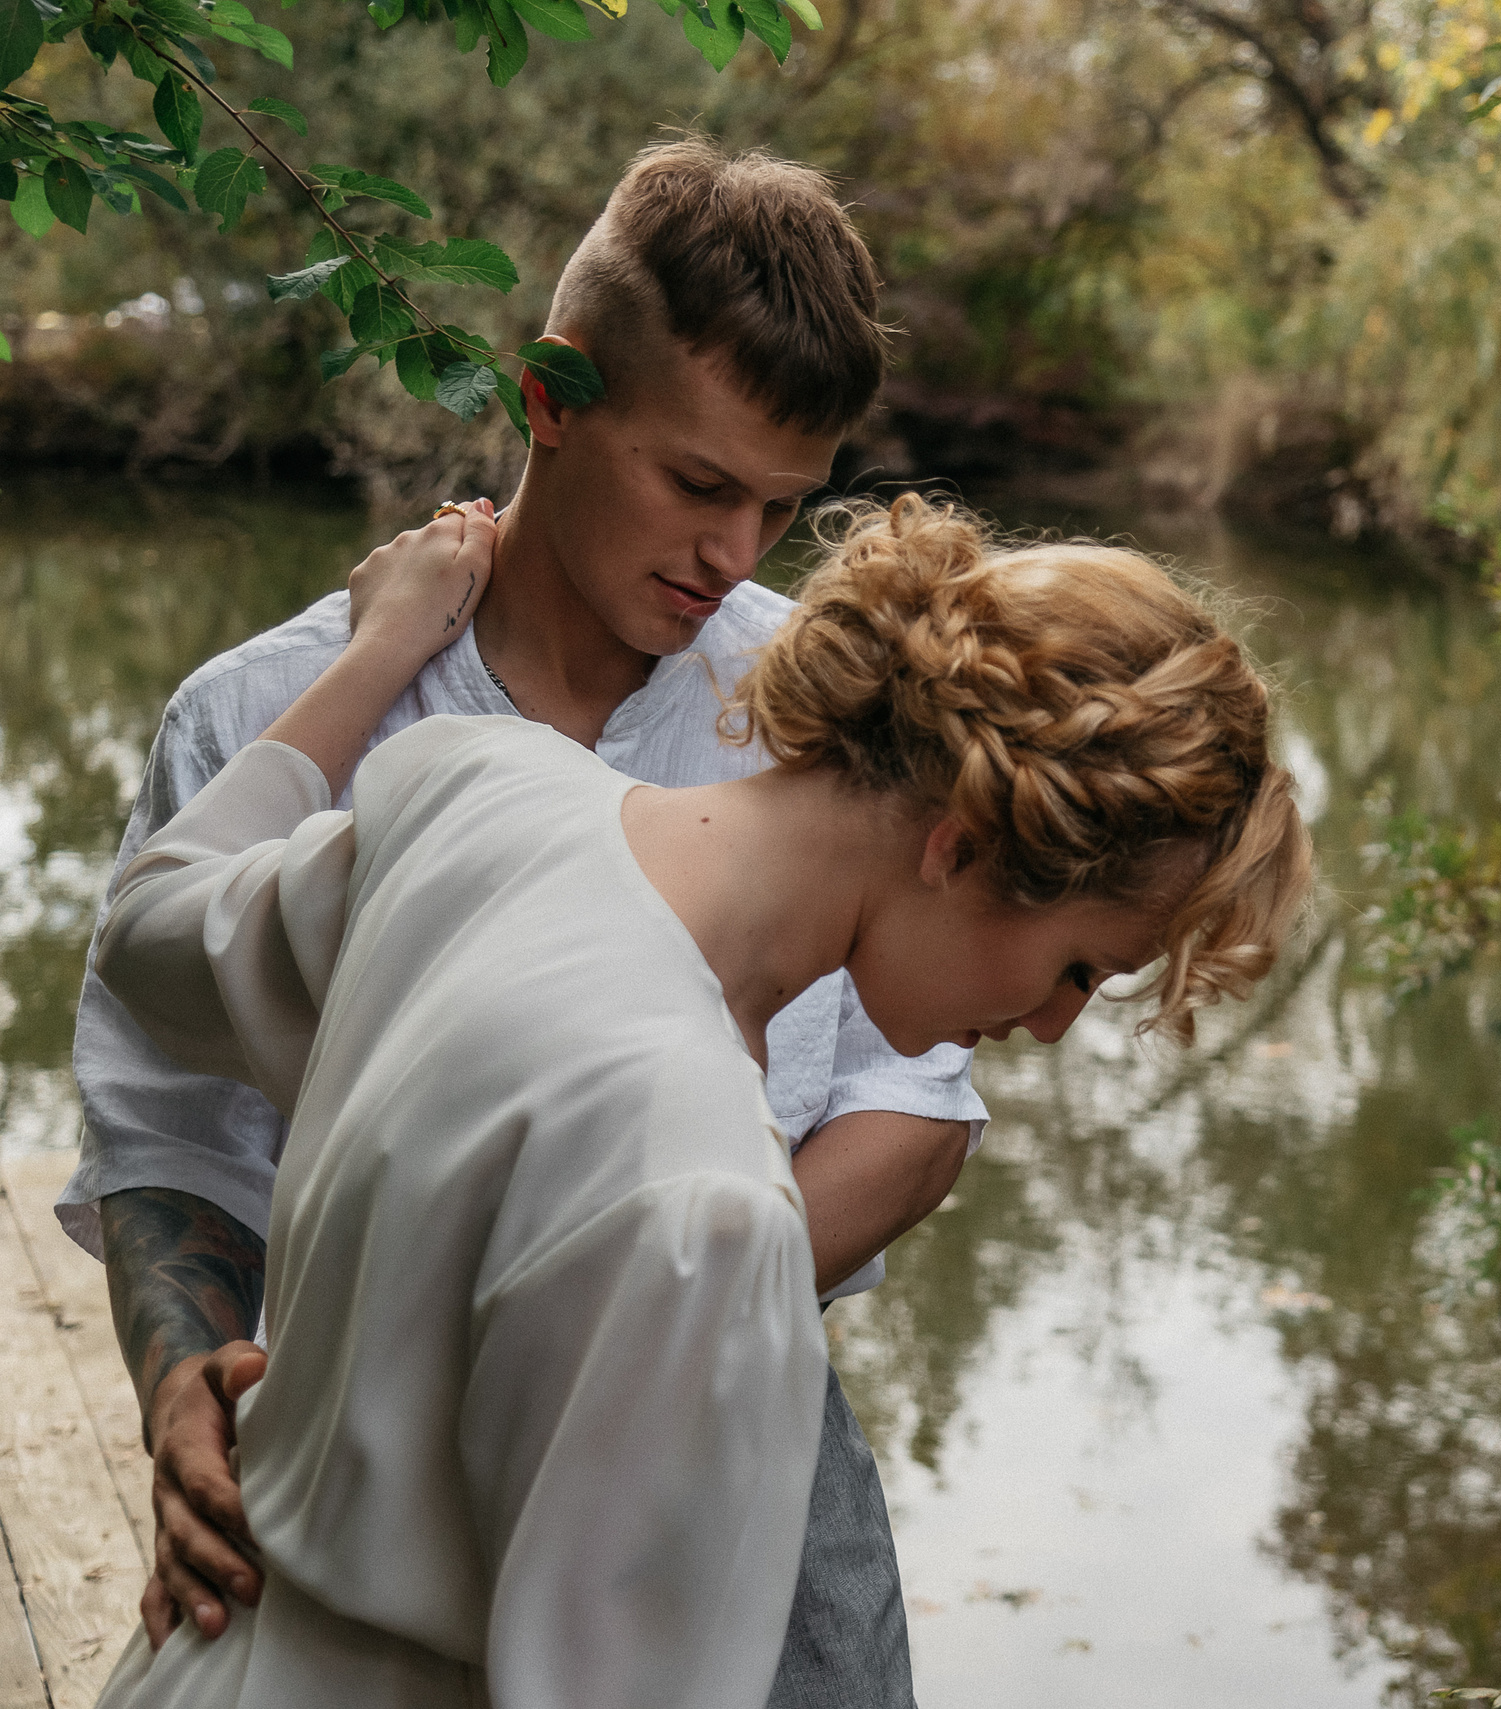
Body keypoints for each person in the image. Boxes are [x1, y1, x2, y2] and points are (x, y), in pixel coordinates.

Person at [87, 490, 1315, 1707]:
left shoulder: (472, 788)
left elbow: (149, 927)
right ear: (959, 846)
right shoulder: (709, 1210)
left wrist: (373, 657)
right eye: (1078, 968)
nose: (1049, 1026)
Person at [59, 136, 985, 1707]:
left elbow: (914, 1105)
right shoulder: (263, 714)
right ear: (549, 396)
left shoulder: (824, 708)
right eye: (697, 483)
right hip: (354, 1446)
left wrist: (655, 1295)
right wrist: (177, 1398)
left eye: (781, 502)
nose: (731, 557)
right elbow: (169, 1131)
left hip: (745, 1428)